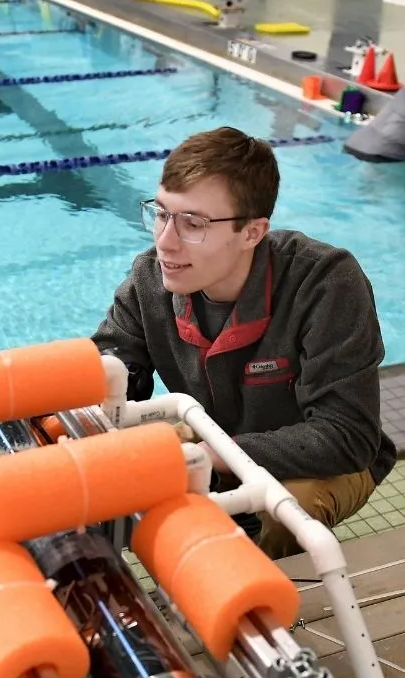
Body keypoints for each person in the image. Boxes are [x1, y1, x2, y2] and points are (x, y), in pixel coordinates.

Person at [92, 126, 395, 559]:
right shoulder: (151, 279)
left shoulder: (325, 283)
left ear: (252, 233)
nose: (165, 242)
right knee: (114, 473)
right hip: (214, 439)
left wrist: (216, 454)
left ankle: (260, 605)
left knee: (288, 511)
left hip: (322, 461)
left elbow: (347, 437)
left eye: (193, 223)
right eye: (161, 214)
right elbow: (111, 366)